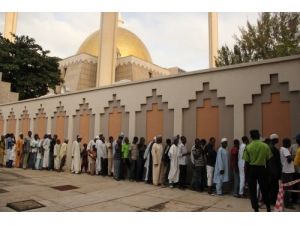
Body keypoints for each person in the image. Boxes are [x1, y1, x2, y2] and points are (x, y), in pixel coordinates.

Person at [243, 129, 272, 212]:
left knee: (252, 191)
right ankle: (268, 209)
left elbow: (246, 164)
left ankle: (256, 209)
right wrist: (268, 174)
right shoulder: (265, 146)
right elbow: (268, 161)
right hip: (262, 169)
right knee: (265, 189)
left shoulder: (248, 147)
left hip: (252, 170)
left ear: (251, 137)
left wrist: (246, 177)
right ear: (259, 136)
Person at [280, 138, 295, 209]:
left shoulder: (282, 149)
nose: (290, 144)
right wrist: (294, 156)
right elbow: (289, 159)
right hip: (288, 172)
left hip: (285, 171)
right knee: (288, 188)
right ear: (287, 143)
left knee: (286, 188)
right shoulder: (285, 150)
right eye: (289, 142)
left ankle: (286, 202)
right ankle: (288, 203)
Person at [268, 134, 282, 205]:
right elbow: (274, 162)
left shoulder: (268, 147)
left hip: (269, 171)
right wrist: (276, 173)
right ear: (275, 140)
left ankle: (270, 200)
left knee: (270, 187)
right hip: (273, 172)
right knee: (274, 188)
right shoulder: (273, 149)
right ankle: (272, 201)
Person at [292, 133, 300, 204]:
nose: (296, 141)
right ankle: (294, 199)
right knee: (295, 185)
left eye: (297, 139)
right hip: (295, 170)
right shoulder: (293, 146)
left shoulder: (298, 149)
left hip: (296, 169)